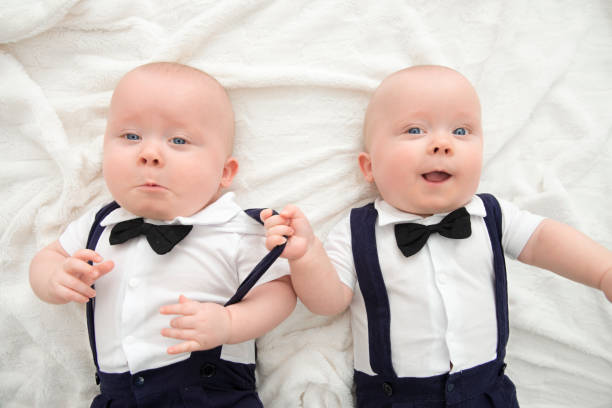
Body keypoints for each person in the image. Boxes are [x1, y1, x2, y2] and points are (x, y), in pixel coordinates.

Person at [262, 65, 612, 407]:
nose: (442, 144)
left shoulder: (492, 215)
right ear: (369, 167)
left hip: (486, 390)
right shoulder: (356, 231)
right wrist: (307, 256)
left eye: (461, 131)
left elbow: (544, 240)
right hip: (395, 397)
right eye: (415, 130)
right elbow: (328, 302)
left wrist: (602, 270)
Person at [29, 62, 296, 408]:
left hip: (210, 393)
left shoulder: (234, 228)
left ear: (225, 172)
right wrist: (53, 278)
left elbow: (280, 292)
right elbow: (48, 257)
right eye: (131, 136)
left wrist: (230, 323)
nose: (150, 154)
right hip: (116, 395)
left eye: (179, 140)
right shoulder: (99, 224)